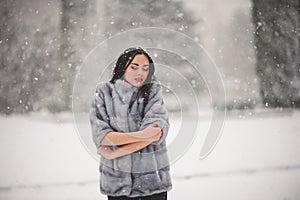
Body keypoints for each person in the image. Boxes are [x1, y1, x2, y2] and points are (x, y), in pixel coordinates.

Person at [89, 47, 172, 200]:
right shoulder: (103, 93)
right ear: (122, 67)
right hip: (117, 184)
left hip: (152, 184)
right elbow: (102, 137)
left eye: (145, 68)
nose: (140, 73)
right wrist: (143, 136)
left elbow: (155, 134)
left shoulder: (153, 92)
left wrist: (116, 152)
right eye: (134, 67)